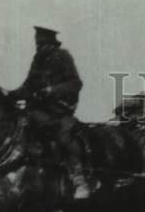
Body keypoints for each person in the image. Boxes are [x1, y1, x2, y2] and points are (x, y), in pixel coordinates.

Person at [7, 26, 92, 200]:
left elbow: (76, 83)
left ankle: (79, 181)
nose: (38, 45)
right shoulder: (37, 60)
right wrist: (9, 94)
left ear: (50, 42)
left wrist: (51, 90)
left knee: (64, 136)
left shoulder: (62, 56)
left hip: (61, 109)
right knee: (21, 125)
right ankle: (18, 170)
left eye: (42, 42)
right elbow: (27, 86)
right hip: (39, 111)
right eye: (37, 42)